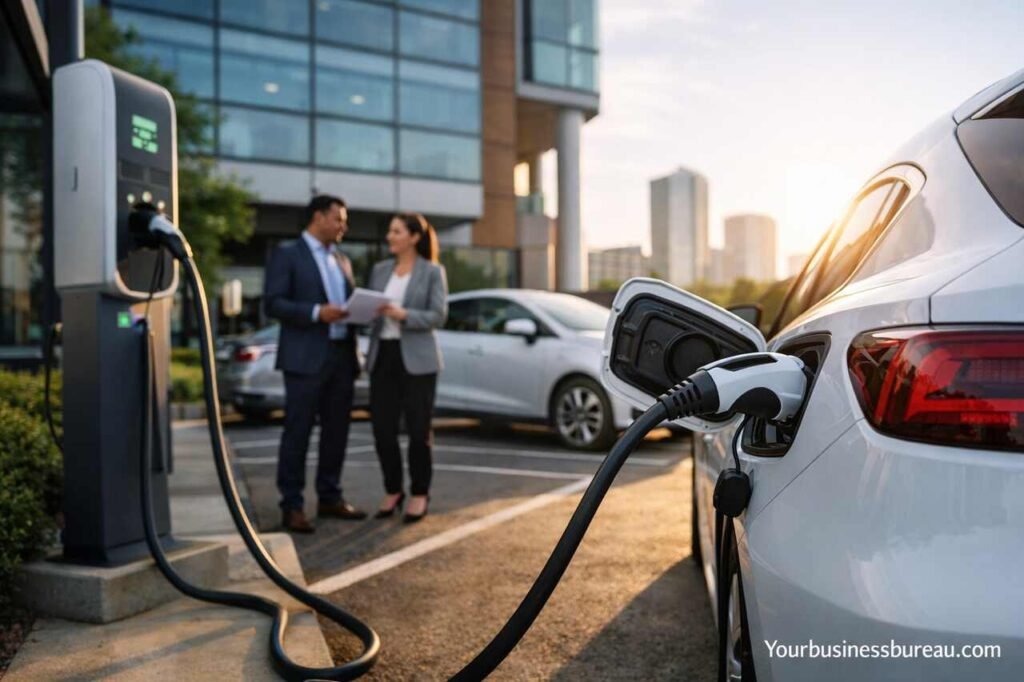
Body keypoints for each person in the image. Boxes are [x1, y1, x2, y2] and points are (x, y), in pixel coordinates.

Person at [263, 194, 367, 533]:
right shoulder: (287, 254)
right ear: (318, 217)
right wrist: (315, 312)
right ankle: (292, 506)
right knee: (298, 432)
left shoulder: (342, 259)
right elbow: (273, 303)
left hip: (342, 356)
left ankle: (330, 497)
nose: (343, 226)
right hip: (305, 359)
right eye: (339, 219)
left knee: (336, 432)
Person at [366, 213, 448, 523]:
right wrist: (367, 312)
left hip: (418, 359)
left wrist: (402, 314)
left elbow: (438, 315)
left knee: (418, 431)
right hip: (383, 355)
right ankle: (393, 490)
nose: (390, 236)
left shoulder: (432, 271)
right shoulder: (379, 270)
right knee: (382, 430)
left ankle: (419, 493)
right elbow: (372, 312)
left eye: (396, 231)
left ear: (414, 237)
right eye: (390, 231)